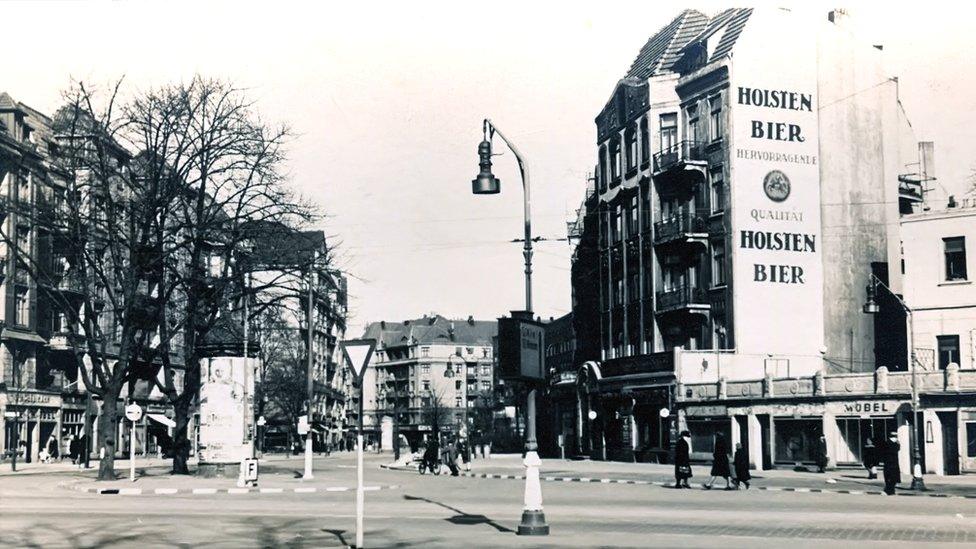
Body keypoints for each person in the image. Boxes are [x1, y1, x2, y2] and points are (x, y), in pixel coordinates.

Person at [882, 431, 901, 495]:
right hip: (893, 462)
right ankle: (890, 490)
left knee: (889, 477)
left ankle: (889, 490)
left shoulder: (886, 442)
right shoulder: (895, 443)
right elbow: (897, 450)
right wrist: (898, 444)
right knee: (892, 477)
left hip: (888, 462)